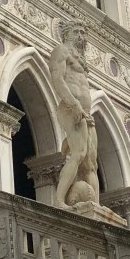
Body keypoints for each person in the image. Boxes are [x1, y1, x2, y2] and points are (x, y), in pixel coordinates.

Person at [48, 22, 99, 211]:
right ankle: (59, 201)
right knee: (78, 154)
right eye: (76, 32)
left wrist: (83, 109)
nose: (80, 36)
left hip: (86, 114)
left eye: (83, 33)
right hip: (70, 108)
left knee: (91, 163)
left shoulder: (82, 62)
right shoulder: (61, 51)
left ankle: (95, 205)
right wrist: (74, 104)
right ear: (66, 35)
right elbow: (57, 79)